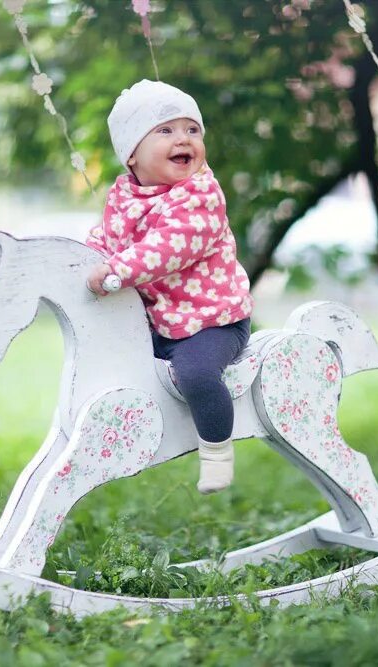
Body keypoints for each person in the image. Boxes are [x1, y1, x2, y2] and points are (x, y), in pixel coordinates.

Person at [85, 79, 253, 494]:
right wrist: (86, 258)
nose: (184, 140)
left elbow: (167, 248)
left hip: (212, 322)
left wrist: (115, 271)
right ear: (132, 154)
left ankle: (216, 452)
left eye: (192, 130)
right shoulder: (124, 196)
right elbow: (108, 237)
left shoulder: (201, 194)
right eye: (166, 130)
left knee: (195, 374)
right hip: (161, 324)